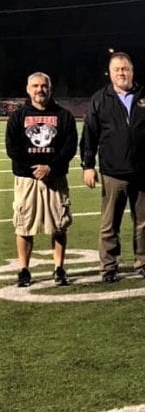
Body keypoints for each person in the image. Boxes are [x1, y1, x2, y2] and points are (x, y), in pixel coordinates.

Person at [80, 52, 145, 282]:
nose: (122, 73)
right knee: (109, 224)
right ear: (110, 72)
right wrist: (88, 165)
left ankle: (144, 262)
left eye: (125, 68)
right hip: (113, 171)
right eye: (117, 69)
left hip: (143, 171)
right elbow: (89, 135)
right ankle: (109, 266)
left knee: (143, 223)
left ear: (132, 71)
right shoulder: (99, 99)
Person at [6, 72, 77, 287]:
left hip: (55, 179)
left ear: (50, 88)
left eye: (44, 86)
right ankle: (24, 269)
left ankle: (59, 268)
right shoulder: (17, 117)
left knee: (59, 225)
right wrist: (33, 169)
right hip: (27, 180)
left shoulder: (64, 116)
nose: (40, 90)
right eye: (35, 86)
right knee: (24, 226)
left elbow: (69, 146)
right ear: (28, 89)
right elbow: (13, 148)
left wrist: (51, 167)